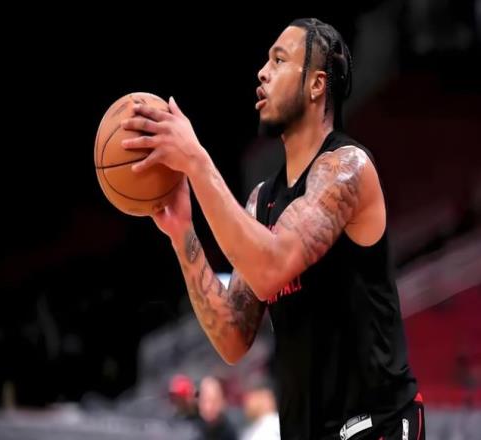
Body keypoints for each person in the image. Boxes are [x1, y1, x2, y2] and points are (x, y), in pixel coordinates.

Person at [121, 17, 425, 440]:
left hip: (376, 425)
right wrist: (182, 233)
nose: (262, 72)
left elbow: (272, 267)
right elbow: (232, 337)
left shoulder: (348, 169)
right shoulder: (261, 201)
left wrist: (197, 161)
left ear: (317, 85)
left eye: (279, 60)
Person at [197, 376, 237, 440]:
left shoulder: (230, 431)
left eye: (214, 401)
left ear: (222, 402)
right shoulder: (191, 431)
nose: (209, 407)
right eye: (205, 401)